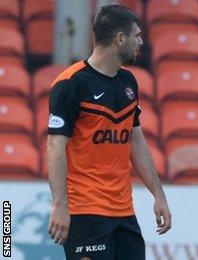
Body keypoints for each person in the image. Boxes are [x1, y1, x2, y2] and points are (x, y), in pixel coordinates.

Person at [47, 5, 171, 259]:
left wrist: (158, 194)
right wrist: (60, 205)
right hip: (85, 212)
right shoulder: (70, 84)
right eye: (137, 35)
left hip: (124, 214)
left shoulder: (128, 82)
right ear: (120, 38)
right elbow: (55, 146)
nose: (141, 41)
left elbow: (135, 140)